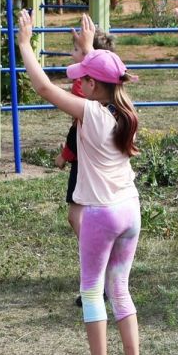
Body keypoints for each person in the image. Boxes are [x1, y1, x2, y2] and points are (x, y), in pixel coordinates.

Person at [14, 8, 146, 355]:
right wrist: (90, 53)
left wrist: (25, 45)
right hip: (130, 209)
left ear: (91, 86)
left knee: (92, 290)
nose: (78, 86)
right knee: (119, 287)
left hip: (102, 215)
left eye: (83, 80)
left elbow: (43, 88)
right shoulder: (124, 110)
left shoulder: (91, 112)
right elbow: (107, 77)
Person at [58, 14, 101, 236]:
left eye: (75, 50)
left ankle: (94, 252)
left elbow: (76, 130)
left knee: (76, 216)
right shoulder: (110, 97)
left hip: (83, 161)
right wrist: (85, 47)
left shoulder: (82, 89)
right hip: (95, 163)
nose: (71, 54)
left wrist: (65, 156)